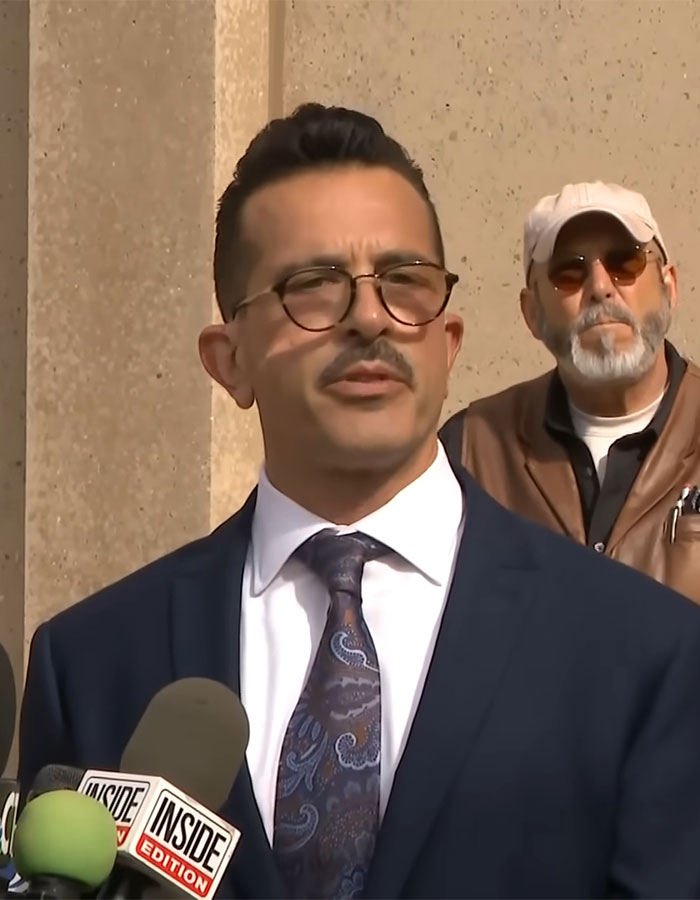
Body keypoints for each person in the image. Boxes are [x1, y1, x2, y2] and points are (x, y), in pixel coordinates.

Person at [18, 110, 700, 899]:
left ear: (447, 343)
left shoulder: (646, 654)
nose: (370, 318)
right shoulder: (96, 664)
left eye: (405, 283)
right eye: (313, 287)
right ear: (228, 361)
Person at [441, 181, 700, 603]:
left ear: (669, 286)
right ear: (532, 313)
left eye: (625, 263)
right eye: (569, 272)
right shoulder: (471, 449)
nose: (600, 287)